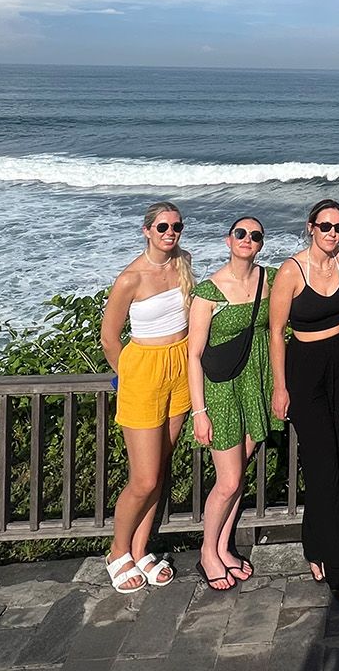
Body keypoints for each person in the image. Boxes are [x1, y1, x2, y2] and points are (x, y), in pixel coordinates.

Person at [270, 199, 339, 616]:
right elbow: (277, 332)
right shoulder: (291, 271)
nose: (333, 233)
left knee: (335, 462)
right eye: (326, 226)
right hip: (305, 369)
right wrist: (280, 387)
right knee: (323, 463)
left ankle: (315, 544)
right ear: (310, 226)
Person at [99, 202, 194, 592]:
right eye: (162, 227)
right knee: (144, 477)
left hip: (181, 367)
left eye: (176, 226)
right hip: (144, 369)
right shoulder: (129, 279)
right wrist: (130, 376)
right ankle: (116, 551)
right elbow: (109, 338)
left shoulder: (183, 263)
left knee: (162, 467)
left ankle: (140, 549)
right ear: (146, 230)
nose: (170, 232)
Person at [186, 216, 279, 590]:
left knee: (239, 474)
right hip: (222, 390)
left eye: (255, 236)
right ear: (228, 240)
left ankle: (224, 547)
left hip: (255, 382)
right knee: (229, 479)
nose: (247, 240)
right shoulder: (208, 292)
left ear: (261, 244)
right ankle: (207, 551)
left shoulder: (267, 281)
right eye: (241, 234)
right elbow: (193, 355)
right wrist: (199, 411)